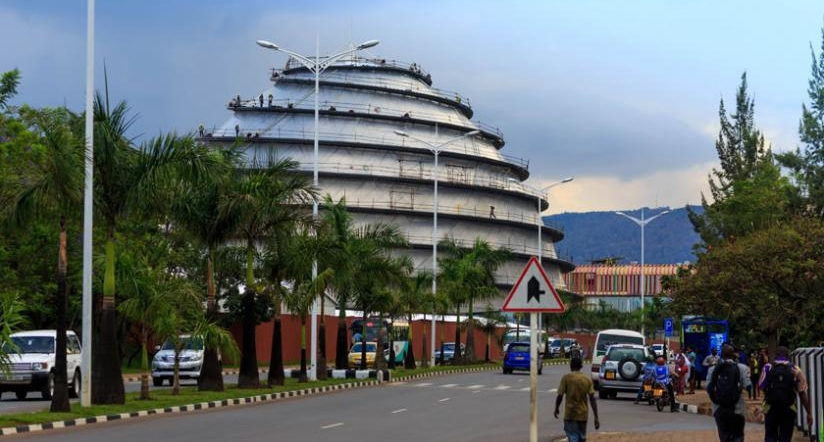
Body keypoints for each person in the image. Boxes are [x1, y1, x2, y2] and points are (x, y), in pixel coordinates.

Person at [759, 346, 813, 442]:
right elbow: (802, 394)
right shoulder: (795, 369)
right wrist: (809, 413)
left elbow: (761, 386)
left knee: (770, 436)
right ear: (788, 356)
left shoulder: (767, 367)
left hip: (770, 407)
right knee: (785, 437)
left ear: (776, 356)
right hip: (788, 408)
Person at [706, 344, 751, 442]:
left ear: (721, 355)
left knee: (724, 436)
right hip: (737, 409)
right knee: (738, 436)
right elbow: (748, 386)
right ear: (734, 355)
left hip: (719, 408)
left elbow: (708, 388)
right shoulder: (742, 368)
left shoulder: (713, 369)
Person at [554, 357, 600, 442]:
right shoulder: (587, 379)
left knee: (572, 437)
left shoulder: (566, 378)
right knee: (581, 438)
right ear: (581, 366)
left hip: (570, 414)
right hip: (582, 415)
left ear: (571, 366)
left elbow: (560, 395)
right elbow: (592, 399)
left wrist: (556, 408)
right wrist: (596, 417)